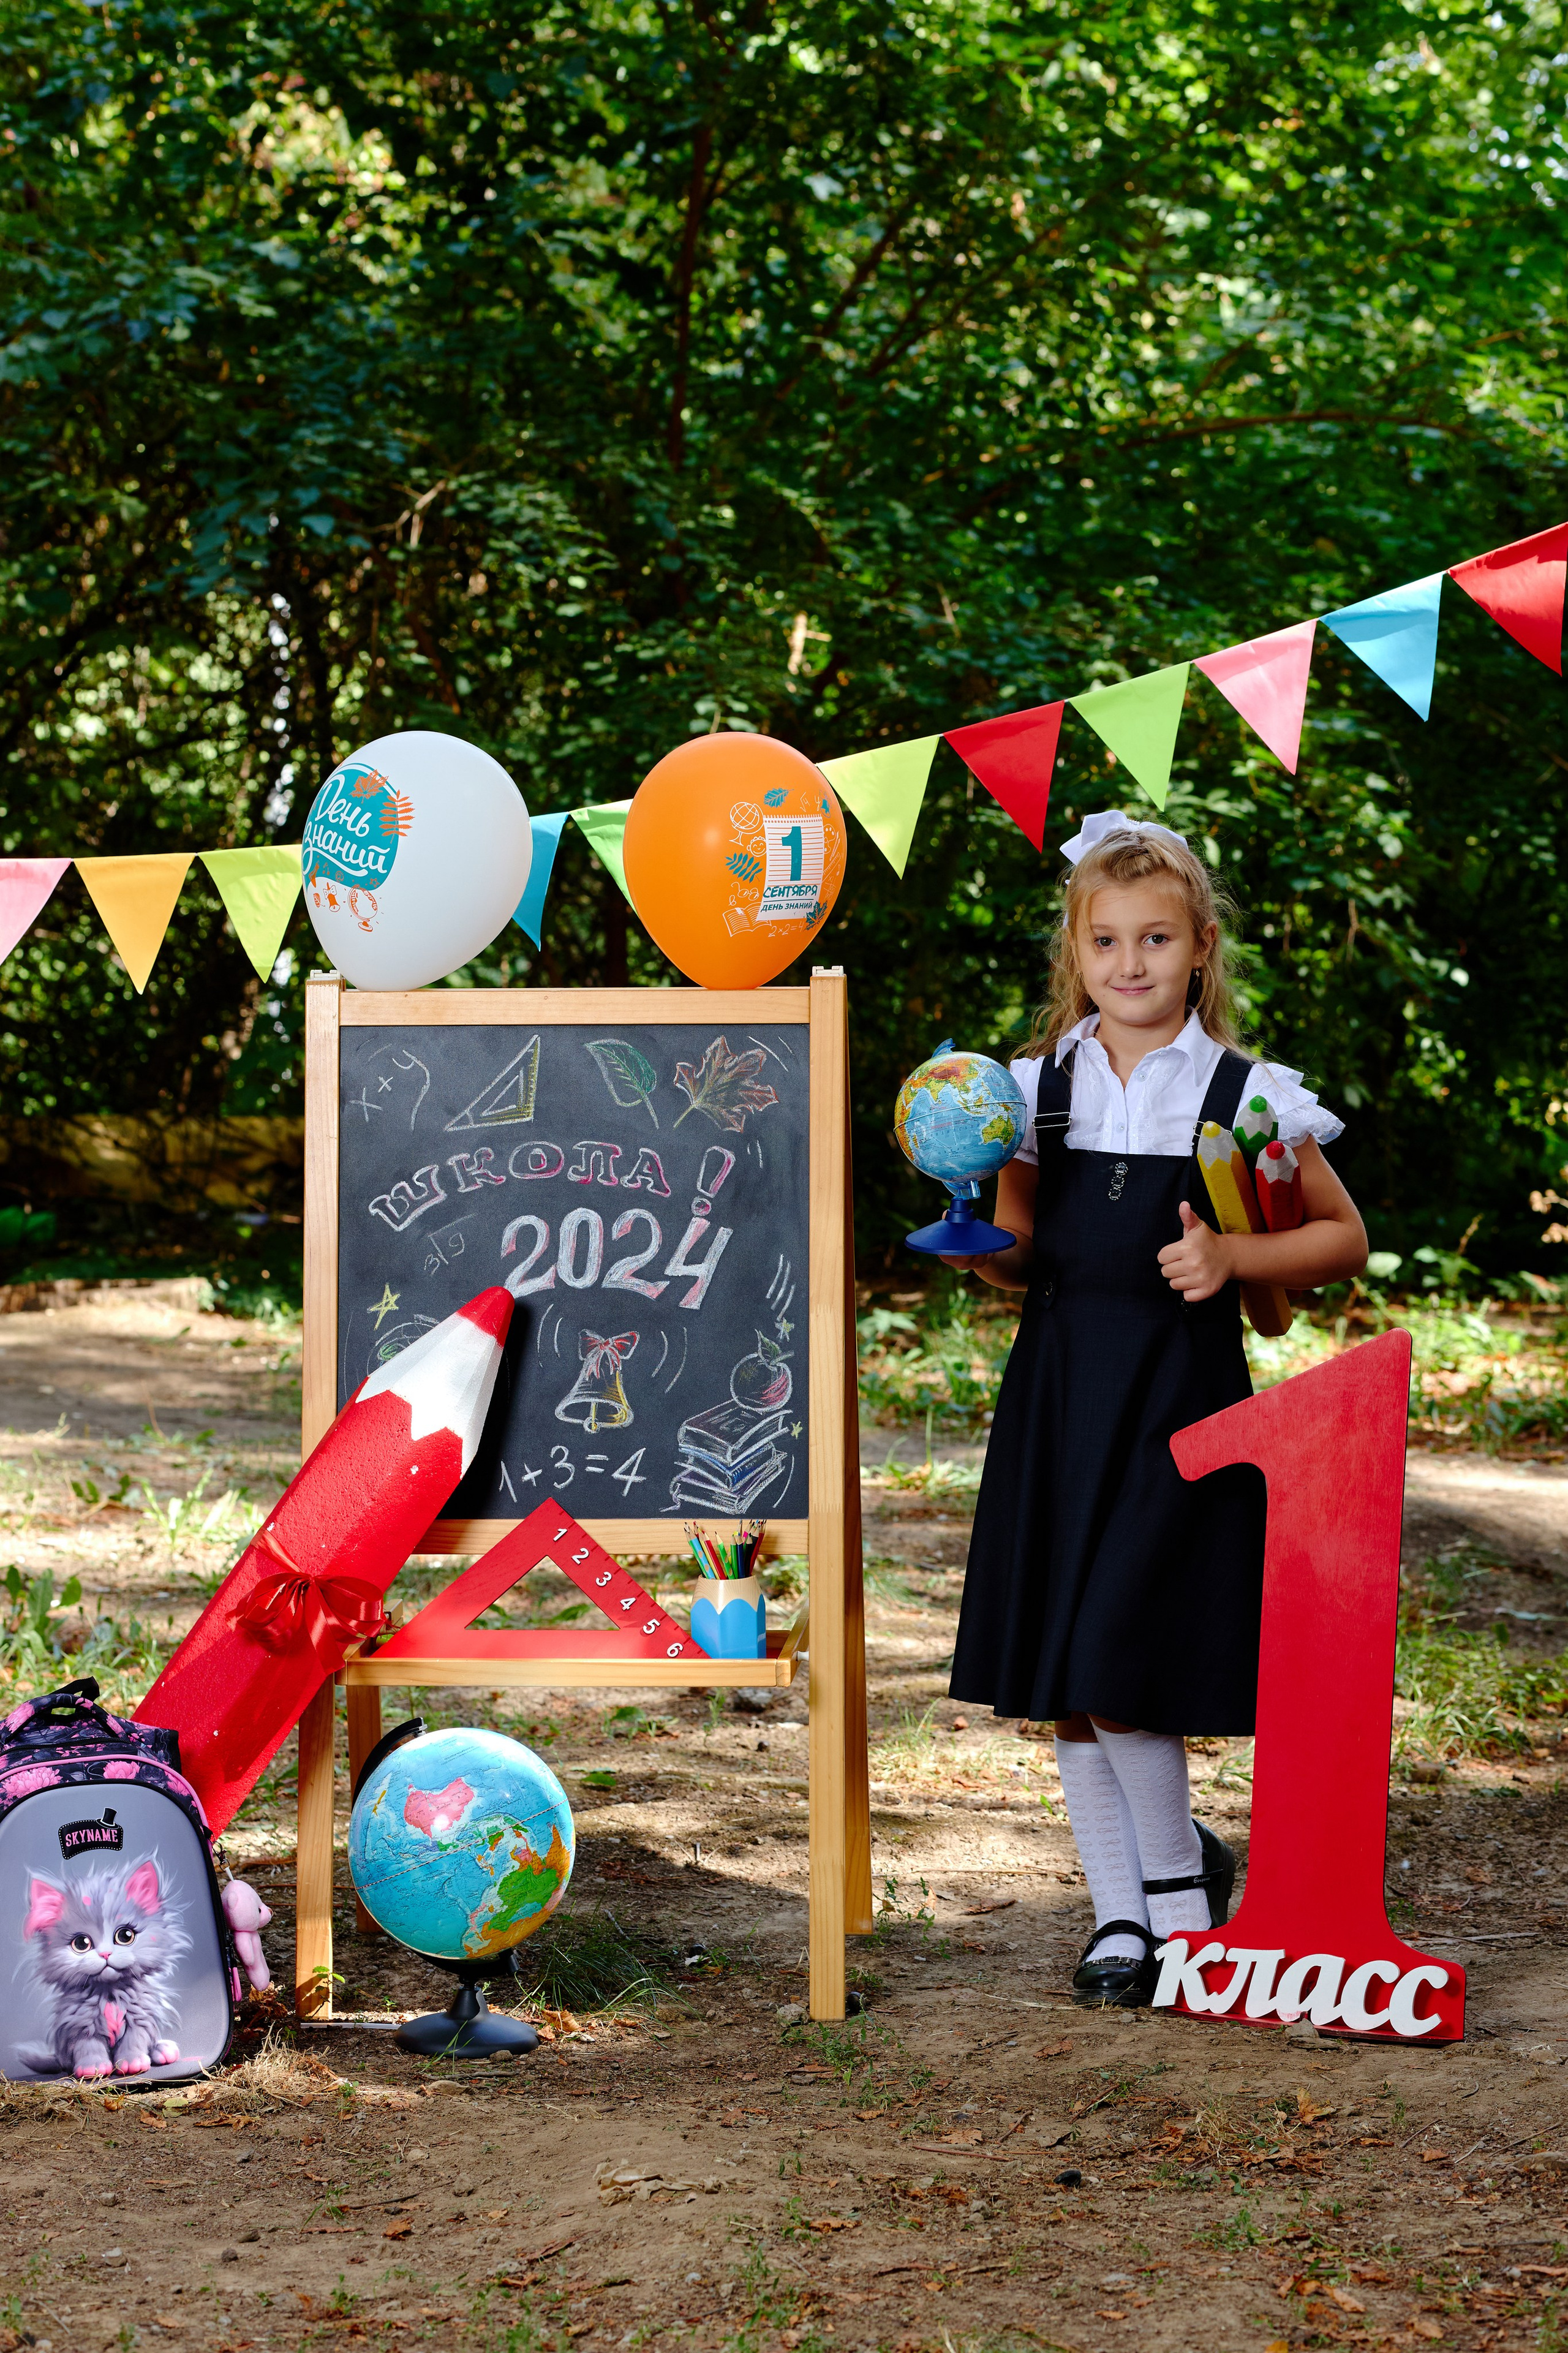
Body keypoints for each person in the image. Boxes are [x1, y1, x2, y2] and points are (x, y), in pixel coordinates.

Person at [943, 810, 1368, 2006]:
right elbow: (1017, 1254)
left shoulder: (1242, 1094)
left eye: (1155, 938)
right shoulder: (1035, 1089)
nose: (1128, 962)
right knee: (1072, 1682)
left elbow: (1340, 1236)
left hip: (1181, 1410)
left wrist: (1234, 1257)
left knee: (1121, 1655)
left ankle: (1182, 1909)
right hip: (1061, 1401)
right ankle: (1119, 1919)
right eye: (1105, 941)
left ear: (1199, 947)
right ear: (1074, 952)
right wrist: (971, 1236)